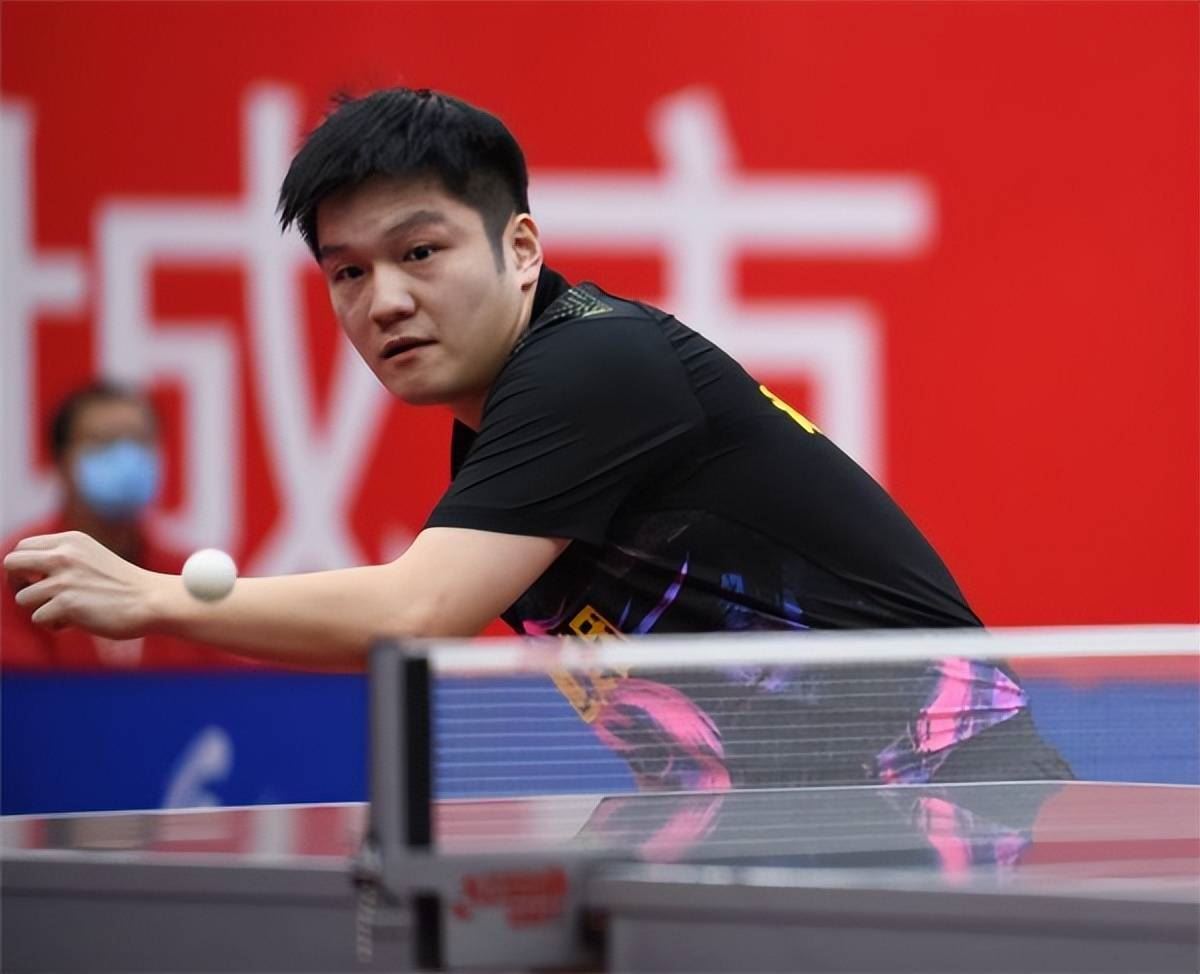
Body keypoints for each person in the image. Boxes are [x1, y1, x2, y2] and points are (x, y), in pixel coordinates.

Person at [4, 89, 1071, 786]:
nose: (384, 300)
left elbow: (415, 612)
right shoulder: (498, 429)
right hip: (799, 831)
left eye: (420, 252)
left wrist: (156, 597)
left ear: (521, 249)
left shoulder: (593, 366)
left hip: (951, 808)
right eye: (348, 271)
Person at [1, 381, 244, 670]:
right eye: (103, 443)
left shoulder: (186, 576)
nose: (127, 458)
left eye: (140, 441)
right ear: (62, 461)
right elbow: (19, 687)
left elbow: (225, 682)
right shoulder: (20, 571)